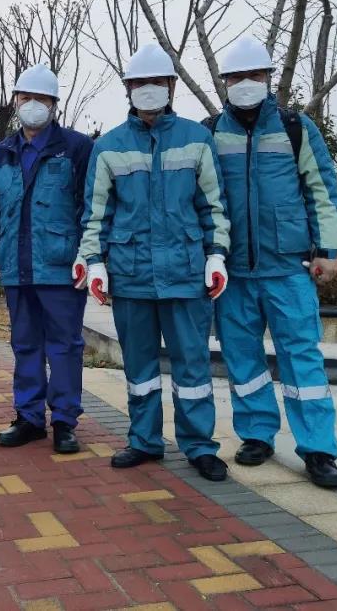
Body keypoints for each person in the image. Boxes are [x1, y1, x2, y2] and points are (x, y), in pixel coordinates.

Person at [79, 43, 232, 482]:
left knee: (192, 367)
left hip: (186, 274)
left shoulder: (197, 139)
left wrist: (216, 255)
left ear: (171, 86)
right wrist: (94, 262)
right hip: (131, 276)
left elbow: (213, 206)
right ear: (128, 88)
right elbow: (96, 214)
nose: (148, 89)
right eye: (139, 83)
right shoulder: (108, 146)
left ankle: (199, 446)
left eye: (156, 82)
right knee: (139, 368)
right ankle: (144, 440)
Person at [208, 36, 337, 488]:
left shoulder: (295, 128)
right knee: (241, 357)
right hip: (233, 270)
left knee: (302, 358)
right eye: (236, 76)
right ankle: (256, 434)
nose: (245, 83)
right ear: (224, 82)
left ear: (268, 78)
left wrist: (328, 251)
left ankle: (318, 449)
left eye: (254, 75)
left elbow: (322, 190)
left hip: (288, 267)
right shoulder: (212, 132)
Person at [0, 63, 93, 454]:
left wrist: (88, 253)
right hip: (15, 265)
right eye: (26, 97)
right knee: (25, 344)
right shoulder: (0, 153)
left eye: (41, 98)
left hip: (60, 266)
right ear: (15, 101)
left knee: (64, 346)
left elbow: (89, 205)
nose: (33, 104)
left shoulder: (76, 147)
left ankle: (64, 421)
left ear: (54, 103)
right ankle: (28, 418)